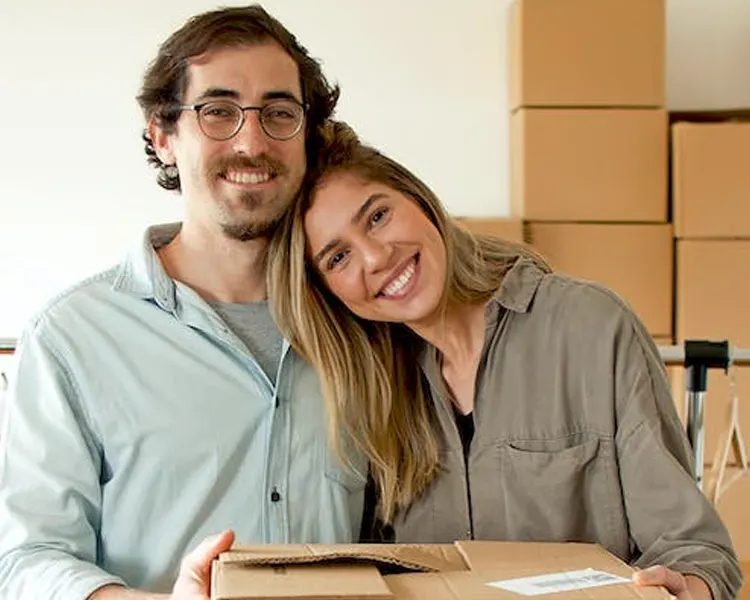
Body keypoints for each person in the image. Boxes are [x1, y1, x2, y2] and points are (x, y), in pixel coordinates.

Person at [267, 121, 744, 600]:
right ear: (329, 295)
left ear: (419, 201)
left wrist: (686, 589)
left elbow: (698, 554)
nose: (374, 257)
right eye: (338, 258)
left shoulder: (591, 329)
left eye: (377, 217)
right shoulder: (377, 398)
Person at [0, 6, 367, 599]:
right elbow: (27, 558)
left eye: (278, 113)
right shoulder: (73, 336)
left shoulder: (361, 318)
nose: (251, 141)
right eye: (218, 111)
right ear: (163, 136)